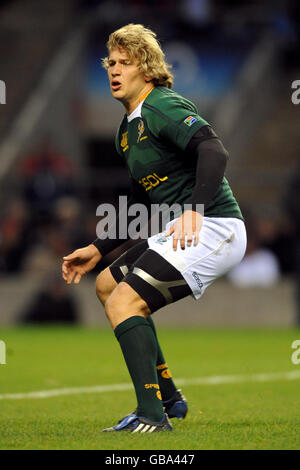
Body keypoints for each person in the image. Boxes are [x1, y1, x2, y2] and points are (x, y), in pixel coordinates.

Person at [62, 24, 247, 433]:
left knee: (124, 302)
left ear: (147, 70)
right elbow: (138, 201)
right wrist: (97, 247)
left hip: (216, 228)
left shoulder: (161, 105)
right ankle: (169, 398)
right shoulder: (126, 131)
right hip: (185, 227)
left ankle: (151, 415)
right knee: (107, 285)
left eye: (125, 63)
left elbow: (214, 150)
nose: (114, 70)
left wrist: (196, 209)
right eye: (110, 62)